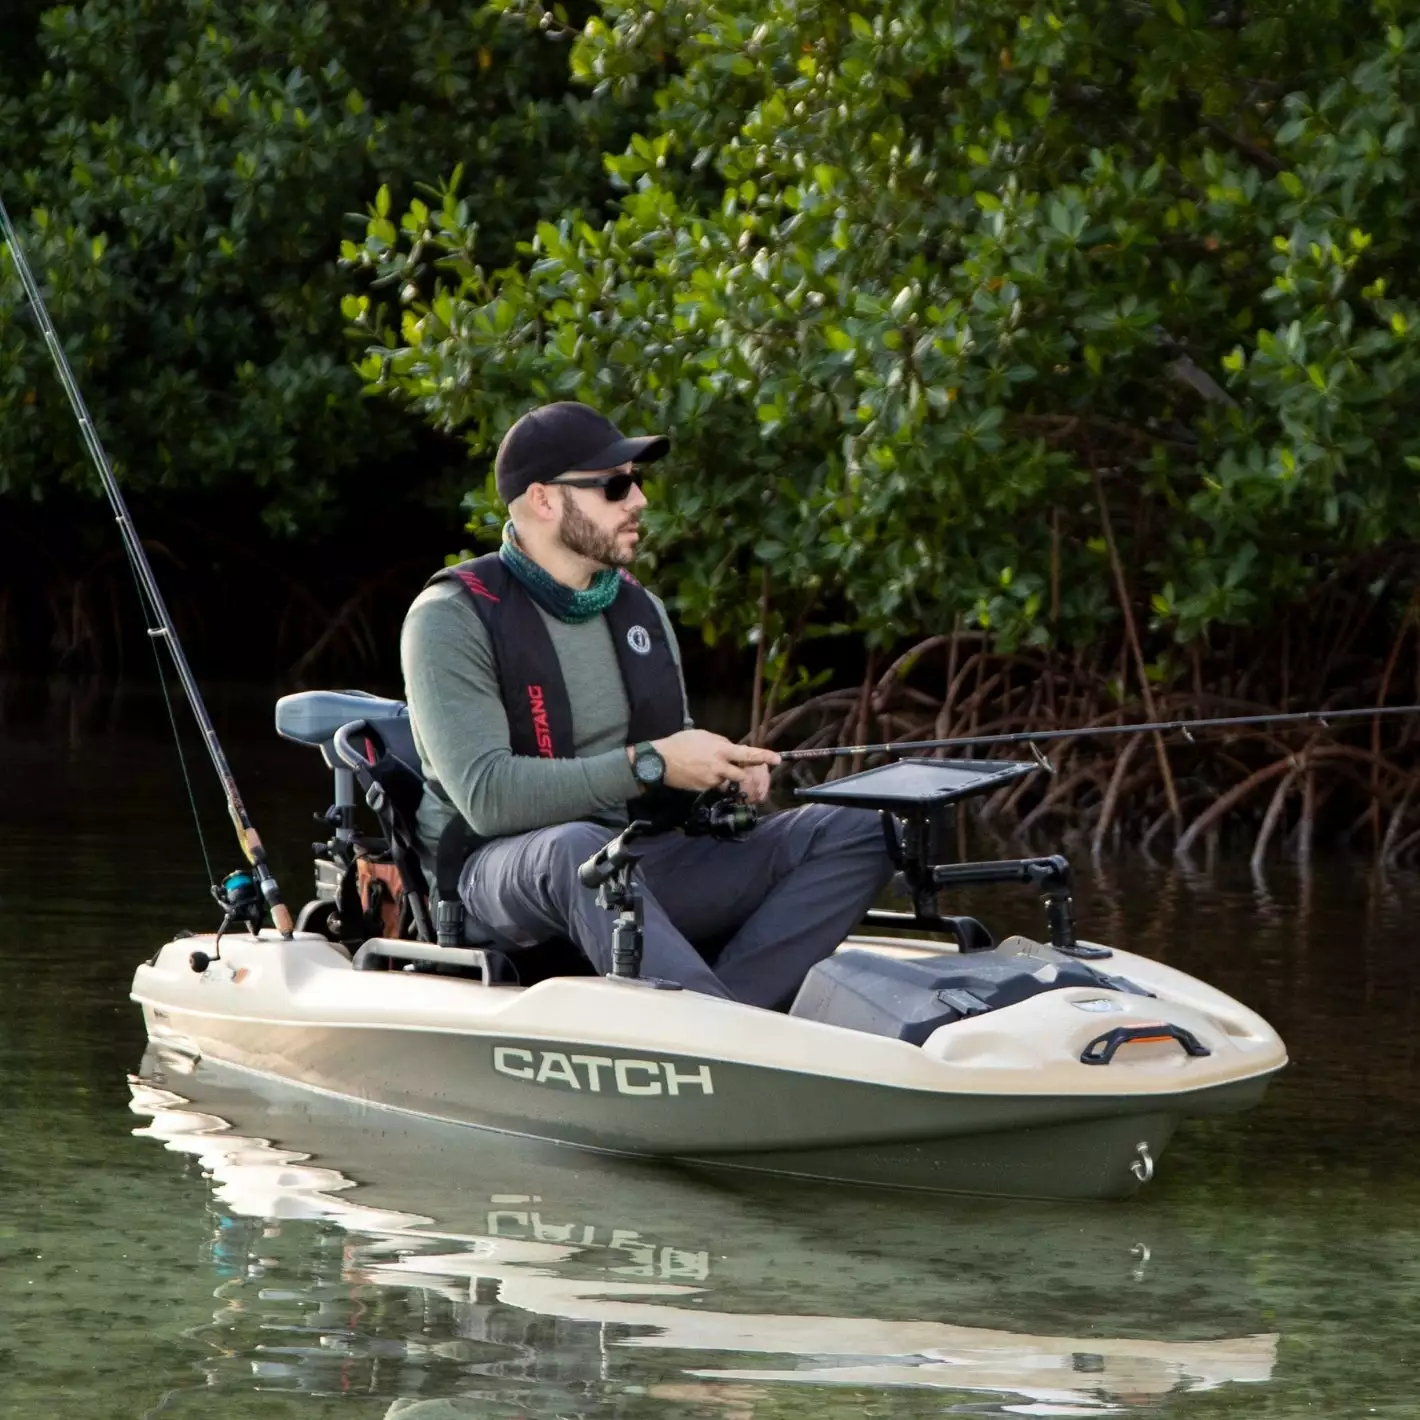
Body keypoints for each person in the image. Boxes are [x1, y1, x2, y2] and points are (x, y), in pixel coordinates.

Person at [400, 401, 894, 1009]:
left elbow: (667, 753)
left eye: (636, 482)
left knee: (865, 827)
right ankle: (713, 1032)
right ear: (544, 500)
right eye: (614, 486)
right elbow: (487, 798)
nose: (638, 500)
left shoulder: (643, 610)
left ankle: (734, 1018)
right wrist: (653, 763)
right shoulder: (450, 617)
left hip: (638, 858)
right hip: (496, 876)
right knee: (577, 848)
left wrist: (719, 777)